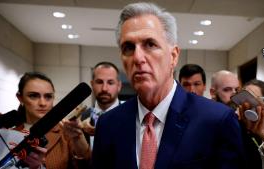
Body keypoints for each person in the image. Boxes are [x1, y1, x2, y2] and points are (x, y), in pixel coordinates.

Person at [92, 2, 244, 169]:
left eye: (150, 44)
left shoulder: (217, 120)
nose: (137, 57)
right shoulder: (108, 124)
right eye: (128, 47)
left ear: (173, 56)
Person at [0, 72, 82, 169]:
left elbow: (85, 165)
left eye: (48, 96)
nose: (42, 103)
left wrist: (79, 139)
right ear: (20, 98)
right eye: (33, 96)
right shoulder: (5, 132)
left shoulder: (65, 132)